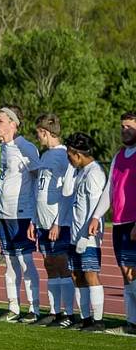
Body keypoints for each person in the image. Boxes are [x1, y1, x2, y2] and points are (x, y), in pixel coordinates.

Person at [0, 105, 42, 323]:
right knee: (10, 263)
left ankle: (34, 309)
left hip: (21, 214)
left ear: (13, 124)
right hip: (3, 213)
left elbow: (38, 178)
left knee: (25, 261)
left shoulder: (26, 148)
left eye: (0, 121)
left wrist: (34, 215)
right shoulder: (2, 148)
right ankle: (13, 307)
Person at [26, 114, 76, 326]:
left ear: (45, 132)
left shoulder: (64, 156)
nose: (38, 138)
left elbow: (67, 193)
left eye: (39, 133)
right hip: (42, 222)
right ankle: (54, 311)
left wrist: (57, 222)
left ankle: (68, 313)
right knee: (49, 265)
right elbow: (40, 190)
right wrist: (33, 220)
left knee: (63, 265)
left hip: (59, 223)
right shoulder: (46, 156)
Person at [89, 111, 136, 335]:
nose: (125, 130)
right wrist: (97, 215)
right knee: (126, 273)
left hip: (134, 222)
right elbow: (110, 189)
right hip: (119, 223)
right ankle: (131, 323)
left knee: (133, 272)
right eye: (122, 126)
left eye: (130, 126)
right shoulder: (119, 156)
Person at [62, 133, 107, 332]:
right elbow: (66, 192)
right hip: (75, 233)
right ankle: (86, 318)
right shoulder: (81, 171)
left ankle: (98, 320)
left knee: (90, 275)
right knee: (75, 274)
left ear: (78, 154)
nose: (68, 159)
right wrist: (72, 169)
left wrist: (88, 236)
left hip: (88, 236)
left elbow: (95, 208)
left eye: (70, 155)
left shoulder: (95, 173)